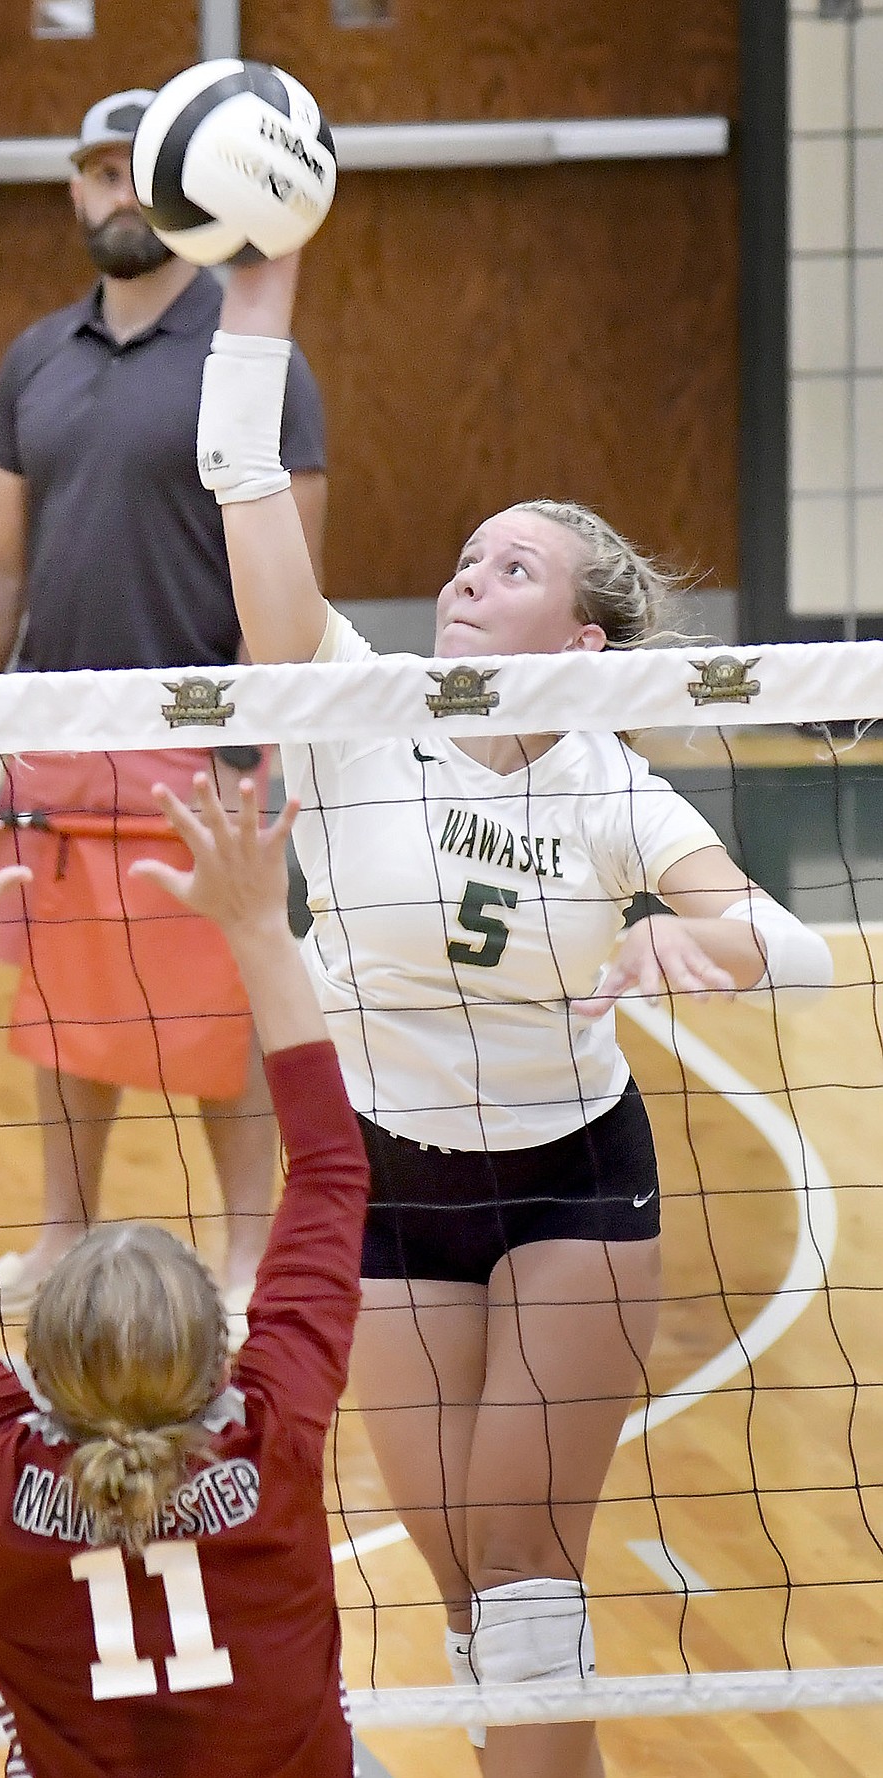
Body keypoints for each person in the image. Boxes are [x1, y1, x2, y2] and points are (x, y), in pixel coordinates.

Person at [191, 251, 836, 1777]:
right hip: (385, 1184)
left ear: (581, 643)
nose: (466, 580)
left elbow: (790, 944)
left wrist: (711, 948)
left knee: (530, 1568)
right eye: (466, 560)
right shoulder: (357, 703)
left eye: (510, 570)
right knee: (467, 1582)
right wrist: (258, 303)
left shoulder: (615, 786)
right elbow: (244, 482)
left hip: (570, 1183)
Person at [0, 762, 369, 1778]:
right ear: (223, 1351)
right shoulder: (273, 1436)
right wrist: (258, 924)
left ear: (34, 1367)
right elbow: (336, 1170)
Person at [0, 89, 326, 1335]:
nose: (113, 192)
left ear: (178, 192)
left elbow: (293, 569)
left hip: (200, 734)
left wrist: (266, 726)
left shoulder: (253, 357)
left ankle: (251, 1247)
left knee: (224, 999)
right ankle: (59, 1237)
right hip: (53, 727)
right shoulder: (37, 356)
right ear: (76, 190)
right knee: (63, 1003)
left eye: (132, 170)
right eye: (94, 172)